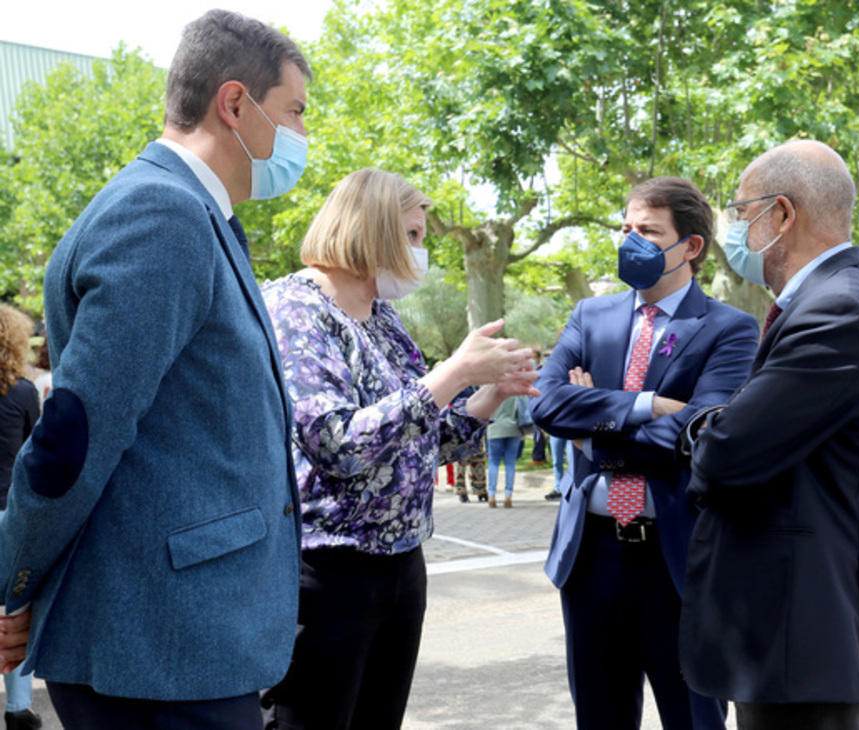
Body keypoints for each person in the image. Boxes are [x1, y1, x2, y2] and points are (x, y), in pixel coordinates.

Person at [0, 10, 311, 728]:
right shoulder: (161, 214)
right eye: (294, 111)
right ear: (235, 103)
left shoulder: (197, 216)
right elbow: (73, 439)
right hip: (160, 649)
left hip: (184, 642)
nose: (302, 134)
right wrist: (11, 580)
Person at [259, 168, 538, 730]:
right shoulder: (296, 308)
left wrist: (488, 393)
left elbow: (422, 439)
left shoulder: (382, 318)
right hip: (327, 571)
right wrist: (451, 373)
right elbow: (337, 445)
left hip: (400, 565)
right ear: (372, 231)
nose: (420, 251)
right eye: (411, 236)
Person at [677, 140, 859, 730]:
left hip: (805, 641)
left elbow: (725, 458)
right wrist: (718, 421)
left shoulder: (838, 311)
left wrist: (698, 423)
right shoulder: (827, 300)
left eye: (738, 212)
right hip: (788, 638)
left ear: (781, 214)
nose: (734, 231)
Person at [531, 176, 759, 729]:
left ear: (692, 247)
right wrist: (648, 404)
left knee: (695, 720)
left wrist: (590, 427)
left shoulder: (731, 330)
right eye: (626, 228)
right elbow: (547, 404)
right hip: (591, 560)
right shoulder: (592, 314)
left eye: (649, 232)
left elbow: (695, 437)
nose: (630, 241)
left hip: (678, 560)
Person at [0, 307, 41, 730]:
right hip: (8, 513)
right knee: (14, 612)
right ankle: (18, 710)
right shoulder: (24, 393)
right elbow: (35, 454)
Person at [486, 396, 526, 508]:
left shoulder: (493, 389)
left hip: (494, 428)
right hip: (513, 428)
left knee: (493, 463)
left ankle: (491, 495)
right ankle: (508, 496)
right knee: (510, 463)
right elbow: (523, 409)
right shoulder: (516, 391)